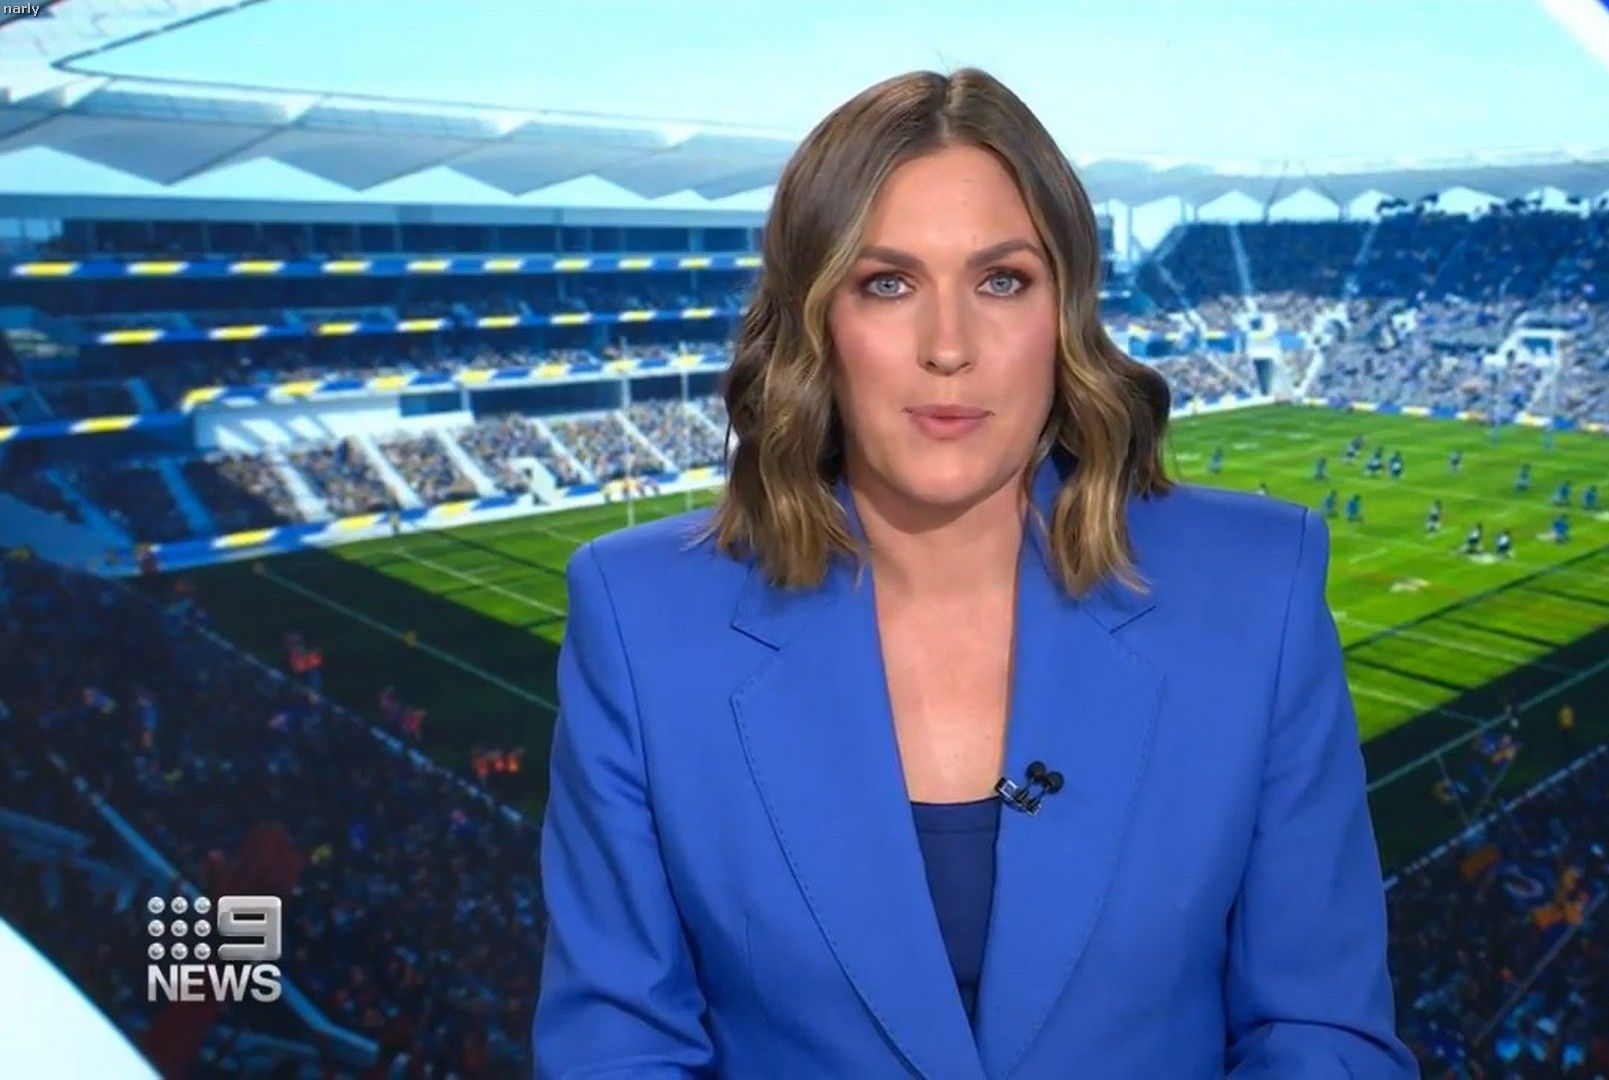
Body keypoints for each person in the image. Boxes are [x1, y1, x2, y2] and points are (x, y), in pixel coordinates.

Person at [534, 69, 1413, 1079]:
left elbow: (1319, 1032)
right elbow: (617, 1049)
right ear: (815, 322)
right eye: (887, 283)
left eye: (1002, 281)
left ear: (1066, 309)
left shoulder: (1260, 589)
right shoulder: (638, 616)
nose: (948, 347)